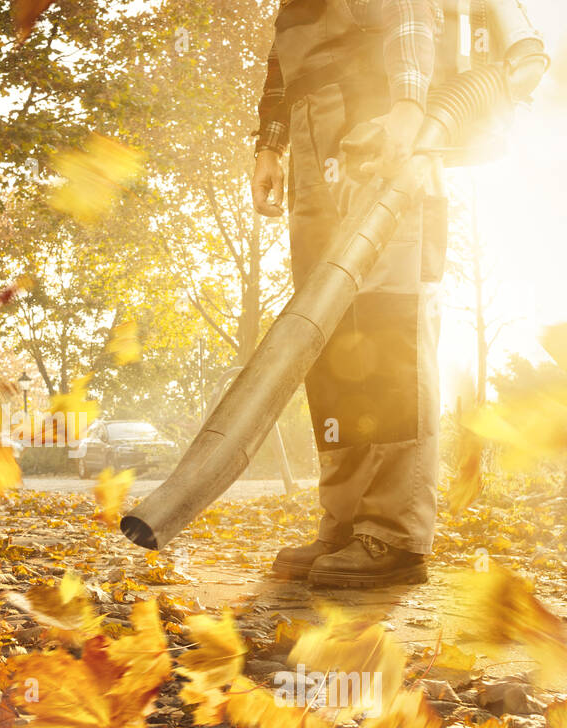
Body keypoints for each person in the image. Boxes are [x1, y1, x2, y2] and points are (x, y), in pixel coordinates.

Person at [252, 0, 445, 588]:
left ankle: (393, 531)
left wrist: (409, 109)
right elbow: (282, 63)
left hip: (375, 122)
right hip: (314, 136)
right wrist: (270, 145)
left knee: (387, 323)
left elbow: (412, 12)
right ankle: (342, 522)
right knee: (329, 332)